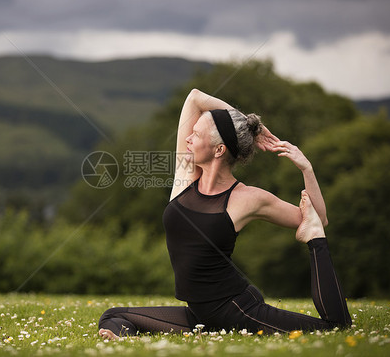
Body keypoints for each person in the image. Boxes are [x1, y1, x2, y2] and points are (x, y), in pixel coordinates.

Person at [98, 89, 351, 339]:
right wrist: (251, 125)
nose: (188, 139)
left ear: (218, 150)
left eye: (196, 135)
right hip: (200, 315)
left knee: (334, 328)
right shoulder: (186, 176)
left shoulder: (248, 198)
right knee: (112, 316)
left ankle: (315, 241)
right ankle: (121, 338)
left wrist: (307, 169)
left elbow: (319, 217)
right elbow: (195, 97)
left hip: (236, 310)